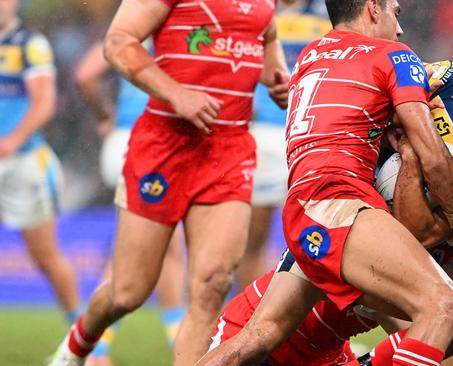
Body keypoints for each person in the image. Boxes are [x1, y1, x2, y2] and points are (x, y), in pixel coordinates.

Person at [197, 60, 453, 365]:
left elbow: (448, 274)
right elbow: (378, 93)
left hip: (388, 278)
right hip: (344, 229)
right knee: (260, 336)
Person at [203, 0, 453, 365]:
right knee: (451, 310)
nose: (399, 28)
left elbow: (343, 115)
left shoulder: (311, 55)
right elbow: (431, 152)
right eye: (395, 13)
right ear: (373, 8)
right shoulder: (396, 57)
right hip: (341, 203)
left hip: (305, 209)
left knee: (259, 336)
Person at [49, 0, 290, 365]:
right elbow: (118, 42)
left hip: (229, 151)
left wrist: (279, 81)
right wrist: (176, 93)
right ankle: (75, 347)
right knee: (128, 292)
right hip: (164, 147)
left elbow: (266, 46)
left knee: (213, 285)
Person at [74, 40, 186, 366]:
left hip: (125, 140)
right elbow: (84, 74)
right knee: (136, 248)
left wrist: (105, 117)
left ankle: (177, 341)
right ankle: (96, 347)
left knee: (167, 245)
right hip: (151, 142)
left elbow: (85, 75)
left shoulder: (132, 26)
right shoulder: (182, 25)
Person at [238, 0, 331, 290]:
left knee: (321, 235)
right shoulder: (255, 10)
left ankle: (321, 328)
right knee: (255, 235)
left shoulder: (329, 12)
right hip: (263, 133)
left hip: (312, 133)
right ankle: (249, 316)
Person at [0, 0, 81, 325]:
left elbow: (44, 102)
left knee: (44, 257)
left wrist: (11, 141)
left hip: (25, 163)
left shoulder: (28, 44)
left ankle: (86, 345)